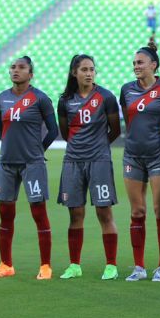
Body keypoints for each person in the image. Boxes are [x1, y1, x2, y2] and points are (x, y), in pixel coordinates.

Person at [0, 56, 58, 280]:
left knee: (39, 213)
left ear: (31, 73)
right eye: (13, 67)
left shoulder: (40, 98)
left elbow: (53, 130)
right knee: (5, 214)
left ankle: (45, 266)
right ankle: (6, 264)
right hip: (6, 163)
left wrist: (38, 151)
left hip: (32, 164)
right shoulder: (1, 99)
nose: (16, 70)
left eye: (21, 67)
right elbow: (0, 131)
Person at [119, 40, 160, 282]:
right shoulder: (126, 90)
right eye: (134, 63)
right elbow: (129, 119)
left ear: (153, 65)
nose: (136, 66)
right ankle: (139, 267)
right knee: (137, 211)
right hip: (132, 155)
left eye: (140, 63)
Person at [56, 54, 120, 280]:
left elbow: (115, 130)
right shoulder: (65, 100)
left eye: (92, 69)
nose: (89, 73)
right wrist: (81, 148)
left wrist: (98, 147)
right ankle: (75, 265)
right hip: (73, 161)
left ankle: (111, 265)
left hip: (99, 161)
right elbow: (65, 133)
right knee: (75, 214)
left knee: (104, 212)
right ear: (75, 72)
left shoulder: (106, 97)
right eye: (84, 69)